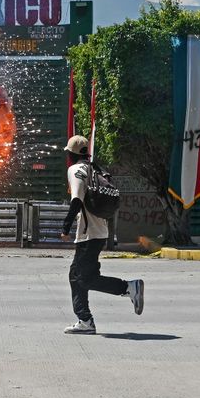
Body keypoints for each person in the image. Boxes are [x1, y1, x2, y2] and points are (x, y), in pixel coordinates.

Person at [61, 135, 144, 334]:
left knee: (84, 278)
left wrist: (65, 227)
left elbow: (76, 200)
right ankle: (84, 319)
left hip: (89, 234)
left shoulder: (75, 170)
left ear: (71, 154)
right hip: (100, 231)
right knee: (77, 276)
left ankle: (128, 288)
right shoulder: (95, 168)